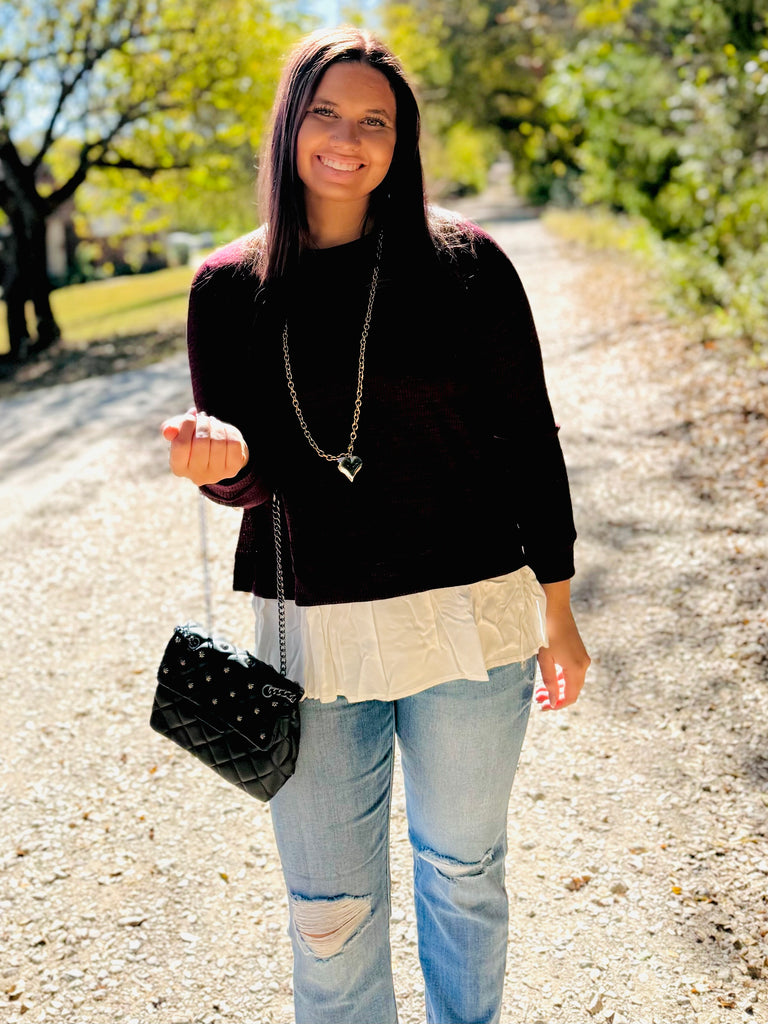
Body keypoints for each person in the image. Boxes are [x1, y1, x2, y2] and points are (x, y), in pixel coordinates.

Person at [161, 24, 590, 1024]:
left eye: (374, 121)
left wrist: (559, 609)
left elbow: (531, 439)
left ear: (401, 141)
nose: (347, 139)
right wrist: (219, 464)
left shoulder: (466, 264)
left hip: (472, 621)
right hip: (311, 634)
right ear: (288, 124)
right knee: (329, 911)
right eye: (325, 112)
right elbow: (247, 478)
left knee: (464, 872)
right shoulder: (228, 288)